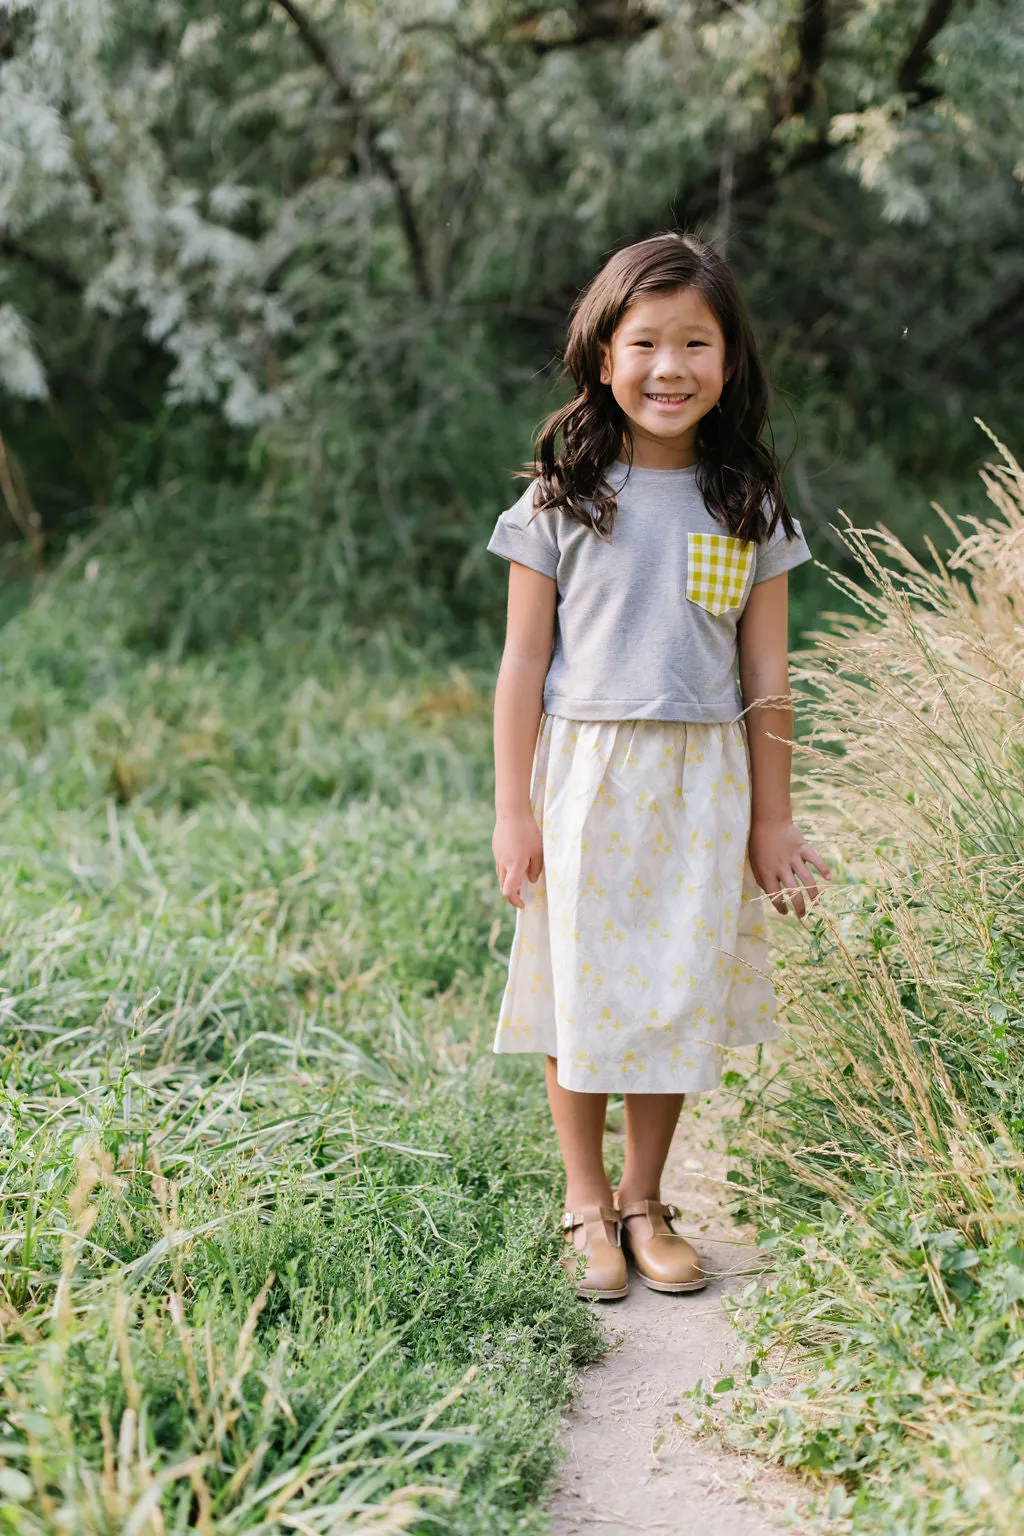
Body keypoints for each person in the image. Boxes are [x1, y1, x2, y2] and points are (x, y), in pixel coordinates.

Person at [487, 231, 831, 1302]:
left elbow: (769, 678)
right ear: (603, 355)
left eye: (696, 343)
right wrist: (512, 810)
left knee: (675, 990)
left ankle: (646, 1198)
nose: (669, 366)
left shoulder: (745, 506)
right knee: (582, 989)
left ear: (728, 364)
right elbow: (520, 668)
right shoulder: (561, 498)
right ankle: (584, 1203)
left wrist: (772, 820)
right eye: (646, 342)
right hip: (587, 777)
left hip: (702, 781)